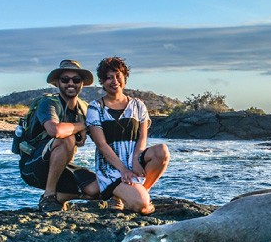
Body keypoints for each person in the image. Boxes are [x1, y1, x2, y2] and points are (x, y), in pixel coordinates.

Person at [85, 57, 169, 215]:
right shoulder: (95, 107)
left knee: (162, 151)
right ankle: (120, 196)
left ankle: (138, 192)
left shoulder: (138, 105)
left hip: (134, 163)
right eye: (109, 77)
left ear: (124, 77)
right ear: (102, 82)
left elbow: (142, 137)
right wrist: (123, 170)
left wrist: (137, 159)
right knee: (144, 207)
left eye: (118, 76)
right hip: (111, 169)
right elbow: (102, 145)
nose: (114, 81)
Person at [19, 59, 101, 212]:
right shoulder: (48, 103)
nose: (71, 83)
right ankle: (49, 195)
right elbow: (55, 131)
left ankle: (58, 197)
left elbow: (102, 140)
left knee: (98, 188)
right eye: (65, 79)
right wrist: (83, 125)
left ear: (82, 83)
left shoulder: (84, 109)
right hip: (34, 166)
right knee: (66, 138)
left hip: (61, 167)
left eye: (76, 79)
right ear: (57, 83)